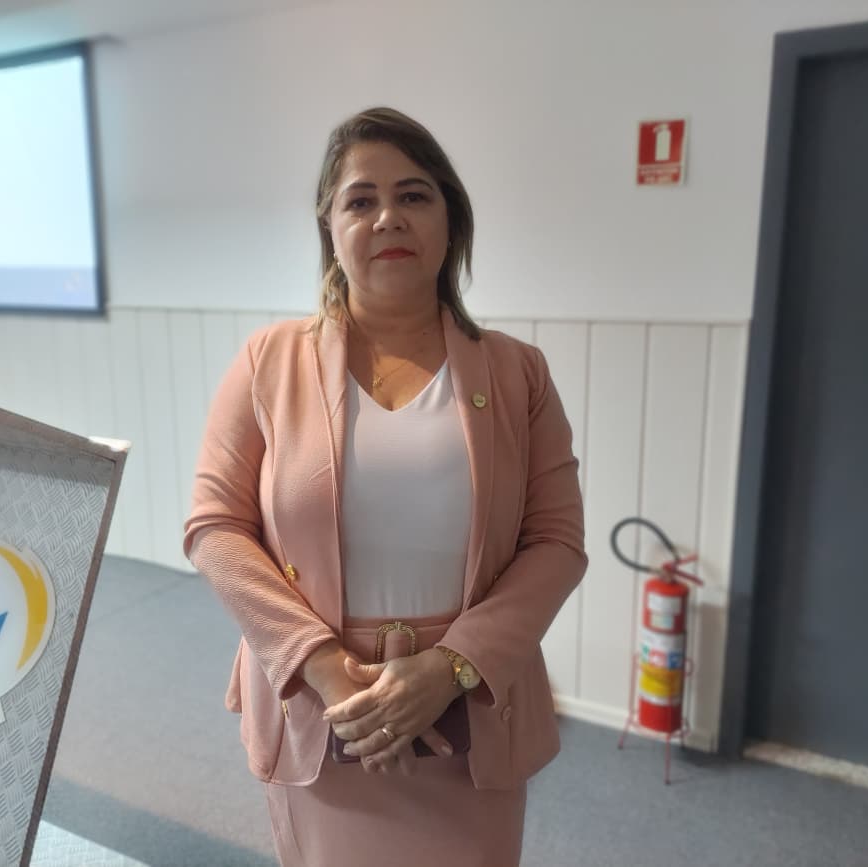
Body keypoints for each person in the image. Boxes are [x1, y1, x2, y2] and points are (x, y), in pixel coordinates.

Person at [183, 106, 587, 867]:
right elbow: (214, 527)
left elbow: (557, 543)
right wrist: (325, 669)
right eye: (360, 200)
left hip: (471, 717)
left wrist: (449, 667)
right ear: (330, 227)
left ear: (449, 219)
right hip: (323, 711)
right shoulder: (268, 361)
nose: (387, 217)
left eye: (413, 195)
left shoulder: (518, 372)